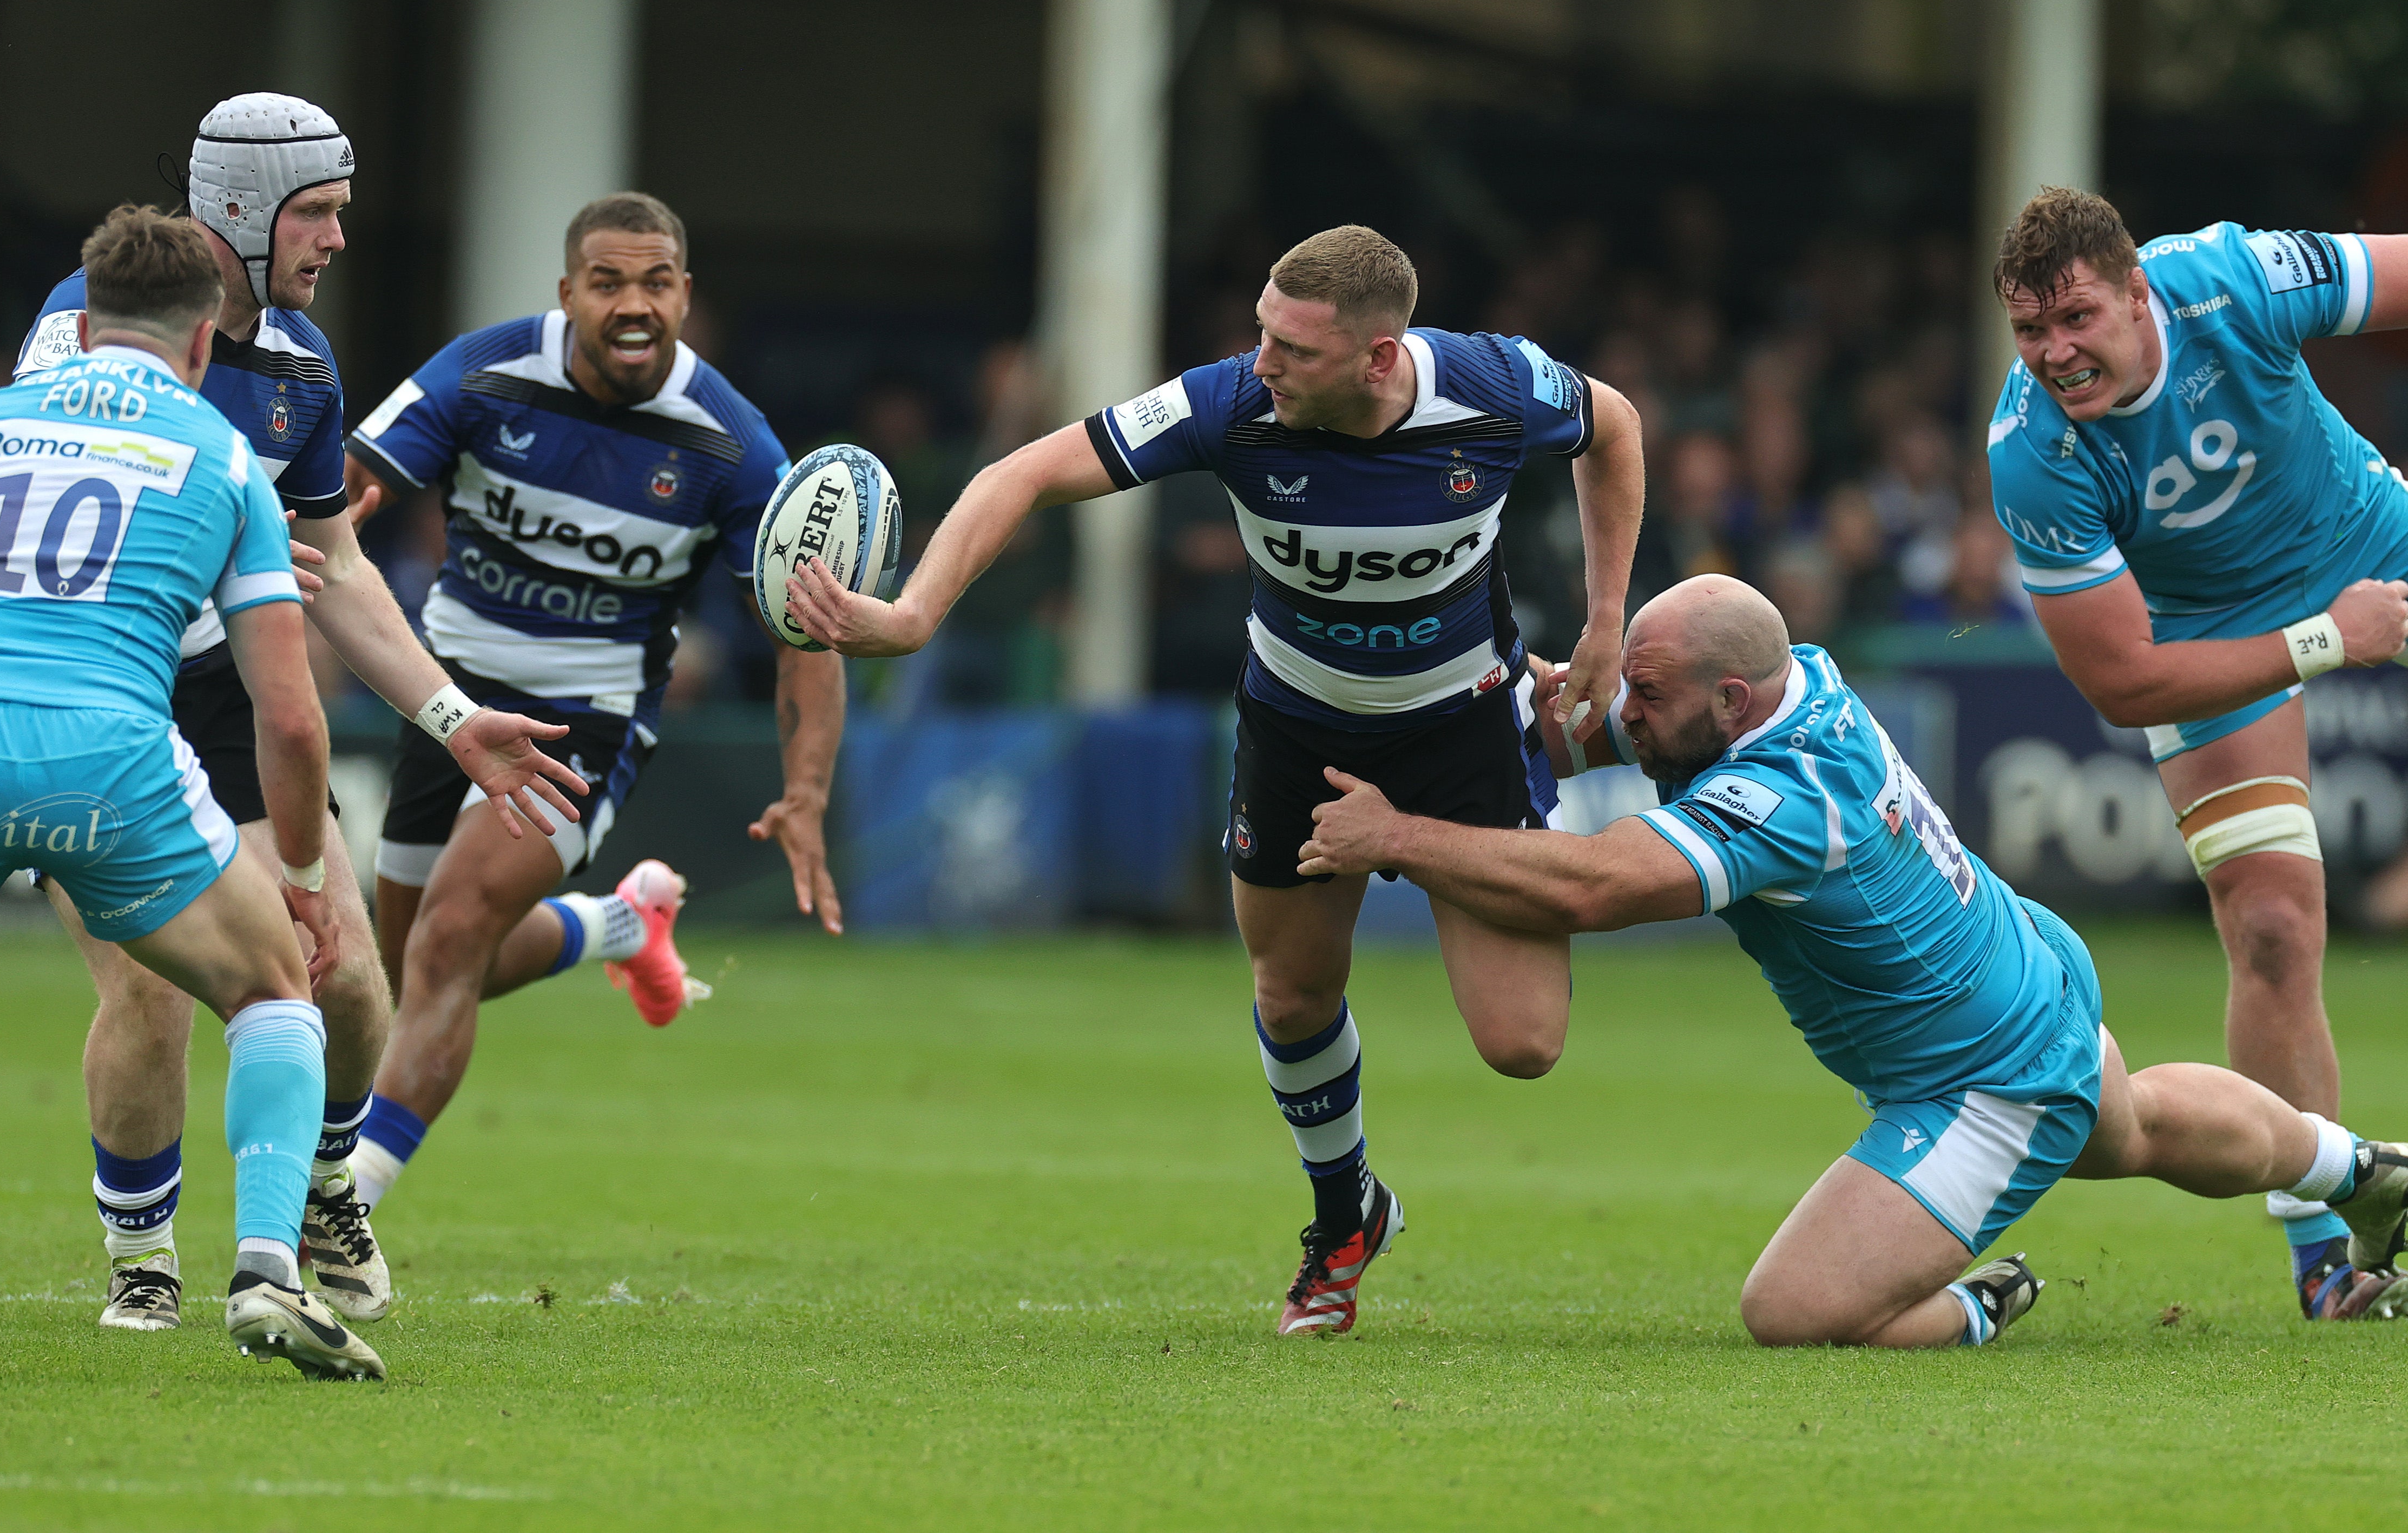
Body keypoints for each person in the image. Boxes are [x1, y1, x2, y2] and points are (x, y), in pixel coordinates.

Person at [784, 225, 1644, 1334]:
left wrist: (1609, 613)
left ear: (1380, 358)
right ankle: (1345, 1213)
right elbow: (1023, 471)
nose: (1263, 363)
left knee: (1522, 1044)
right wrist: (909, 615)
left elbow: (1612, 426)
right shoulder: (1229, 405)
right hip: (1296, 727)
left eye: (1293, 347)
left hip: (1463, 730)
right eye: (1260, 335)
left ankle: (1416, 843)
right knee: (1291, 992)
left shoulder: (1489, 385)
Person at [1297, 576, 2408, 1341]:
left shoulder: (1782, 800)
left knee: (1790, 1309)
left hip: (1985, 1080)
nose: (1621, 713)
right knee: (2137, 1127)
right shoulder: (1801, 674)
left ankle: (1980, 1305)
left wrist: (1396, 836)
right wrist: (1554, 704)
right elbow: (1644, 739)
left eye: (1648, 696)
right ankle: (2359, 1167)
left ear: (1731, 702)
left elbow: (1595, 886)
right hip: (2025, 971)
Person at [12, 94, 582, 1333]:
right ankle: (144, 1257)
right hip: (95, 675)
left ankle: (325, 1187)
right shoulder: (94, 330)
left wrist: (452, 714)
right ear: (239, 208)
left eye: (338, 211)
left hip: (219, 682)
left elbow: (344, 572)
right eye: (316, 211)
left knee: (350, 981)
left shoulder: (304, 368)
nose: (335, 237)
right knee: (152, 981)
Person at [0, 207, 426, 1377]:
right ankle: (268, 1270)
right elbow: (288, 710)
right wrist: (310, 881)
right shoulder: (222, 457)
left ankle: (148, 1265)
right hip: (115, 753)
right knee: (275, 982)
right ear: (206, 342)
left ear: (78, 323)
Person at [342, 192, 845, 1219]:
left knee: (446, 943)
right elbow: (345, 486)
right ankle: (615, 924)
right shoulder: (484, 369)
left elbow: (807, 630)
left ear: (685, 296)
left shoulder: (734, 444)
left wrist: (805, 790)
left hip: (587, 719)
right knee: (415, 968)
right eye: (608, 282)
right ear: (567, 291)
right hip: (445, 701)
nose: (633, 304)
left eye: (656, 283)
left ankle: (342, 1210)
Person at [1984, 187, 2408, 1317]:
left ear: (2138, 292)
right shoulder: (2031, 454)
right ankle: (2335, 1257)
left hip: (2376, 539)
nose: (2055, 354)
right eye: (2030, 332)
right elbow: (2120, 679)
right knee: (2269, 924)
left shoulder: (2235, 276)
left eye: (2076, 318)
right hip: (2215, 636)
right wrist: (2326, 640)